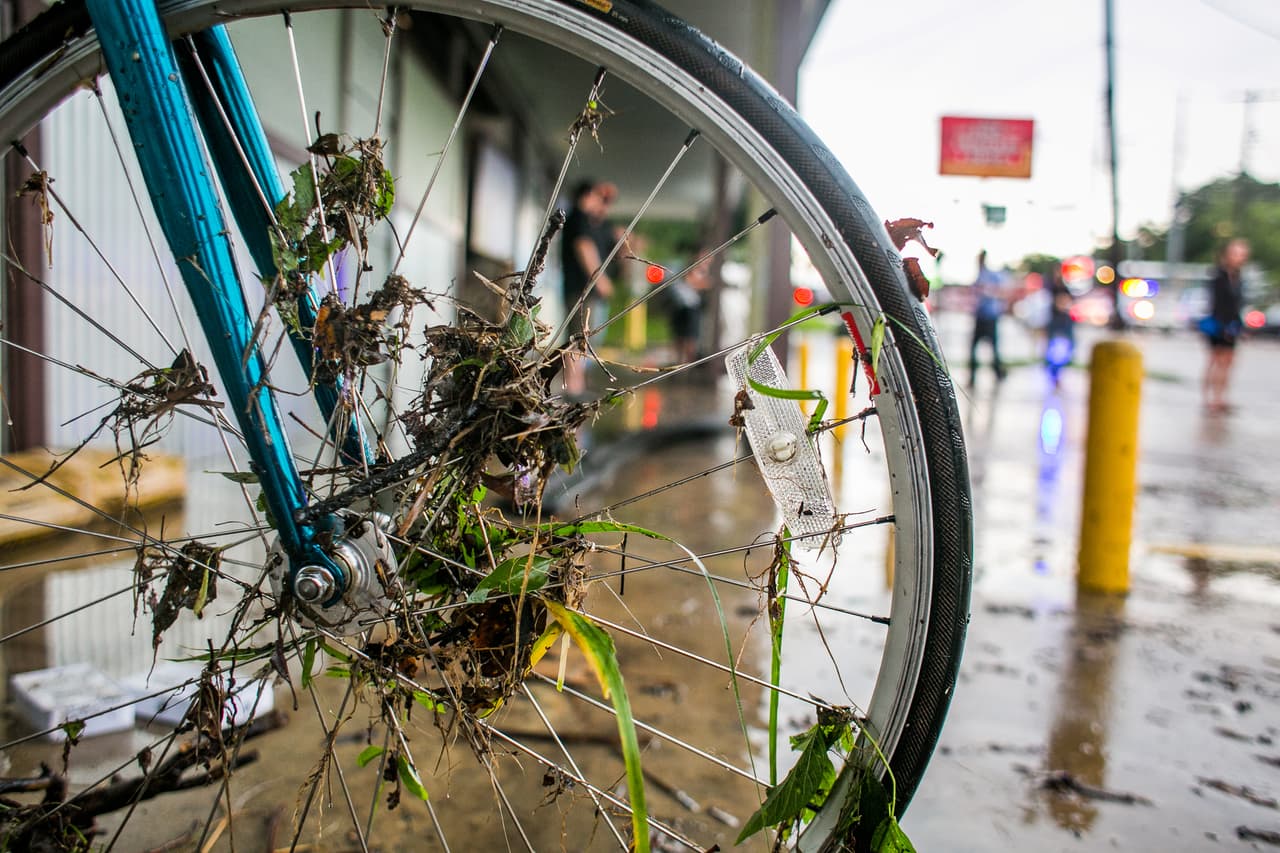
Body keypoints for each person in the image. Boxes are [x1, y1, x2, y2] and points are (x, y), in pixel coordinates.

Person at [559, 179, 618, 396]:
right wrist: (599, 280)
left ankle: (578, 385)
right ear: (587, 196)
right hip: (581, 291)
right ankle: (573, 388)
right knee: (578, 339)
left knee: (583, 339)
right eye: (598, 197)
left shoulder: (586, 221)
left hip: (583, 292)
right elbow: (584, 247)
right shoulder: (578, 219)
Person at [1201, 237, 1249, 413]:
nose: (1239, 257)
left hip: (1233, 325)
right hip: (1218, 326)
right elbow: (1216, 304)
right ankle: (1209, 400)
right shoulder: (1218, 276)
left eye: (1242, 254)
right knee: (1215, 361)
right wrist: (1223, 327)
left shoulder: (1239, 277)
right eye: (1235, 253)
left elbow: (1238, 305)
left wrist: (1240, 327)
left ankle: (1221, 398)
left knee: (1228, 364)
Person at [968, 250, 1007, 386]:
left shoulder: (990, 275)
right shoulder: (979, 275)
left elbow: (1000, 291)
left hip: (990, 316)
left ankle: (998, 374)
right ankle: (973, 377)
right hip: (980, 316)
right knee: (974, 348)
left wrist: (987, 290)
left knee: (993, 348)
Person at [665, 252, 711, 364]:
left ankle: (687, 363)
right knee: (681, 337)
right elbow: (692, 281)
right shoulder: (690, 269)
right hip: (683, 307)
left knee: (690, 338)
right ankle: (679, 362)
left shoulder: (699, 271)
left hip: (691, 308)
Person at [1044, 265, 1075, 386]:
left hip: (1065, 322)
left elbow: (1069, 301)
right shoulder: (1050, 288)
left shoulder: (1065, 288)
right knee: (1053, 349)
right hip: (1055, 322)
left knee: (1068, 347)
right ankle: (1053, 374)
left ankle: (1057, 373)